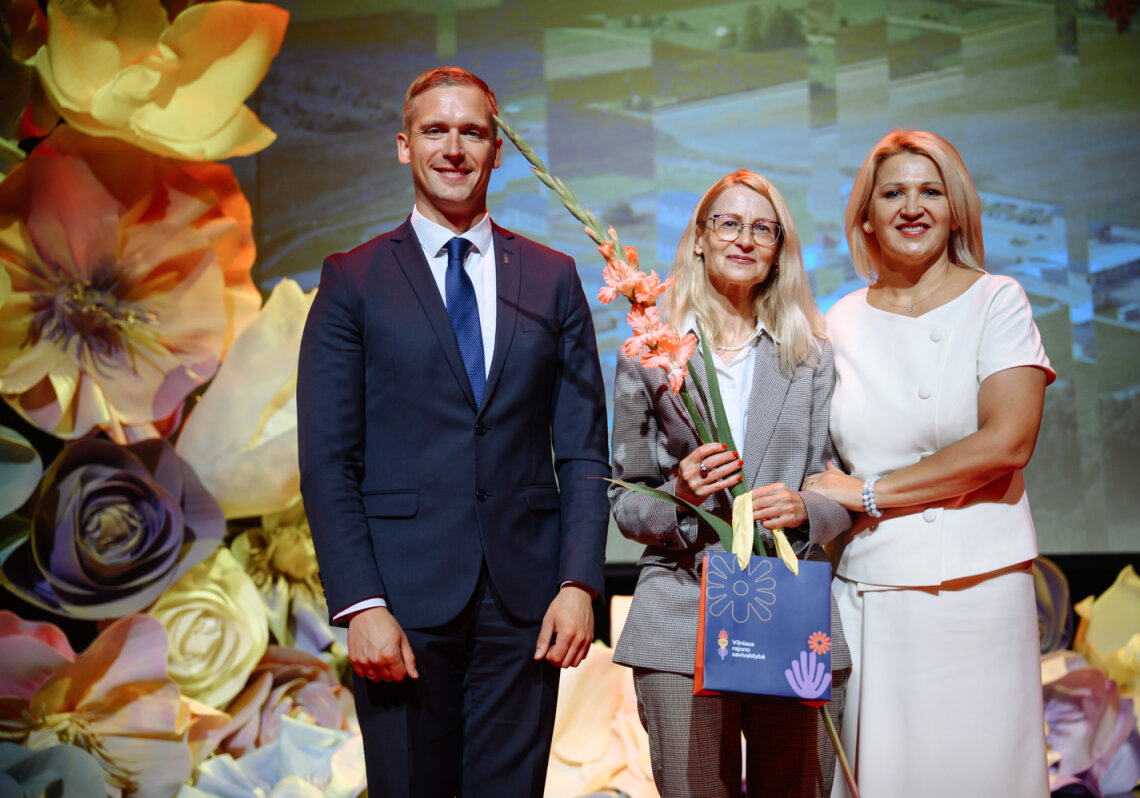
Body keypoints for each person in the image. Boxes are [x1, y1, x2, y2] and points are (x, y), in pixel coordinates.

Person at [296, 66, 610, 797]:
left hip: (526, 602)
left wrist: (578, 583)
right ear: (404, 146)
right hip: (400, 603)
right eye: (435, 130)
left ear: (497, 150)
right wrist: (361, 604)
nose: (454, 148)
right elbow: (328, 462)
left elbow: (584, 451)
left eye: (473, 132)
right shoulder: (352, 280)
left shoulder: (553, 277)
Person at [803, 129, 1054, 798]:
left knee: (982, 771)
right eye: (893, 193)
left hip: (980, 584)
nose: (912, 207)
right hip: (874, 587)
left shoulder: (997, 300)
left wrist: (871, 492)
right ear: (866, 216)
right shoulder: (839, 322)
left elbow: (1008, 442)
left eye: (931, 192)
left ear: (955, 210)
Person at [609, 169, 851, 798]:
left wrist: (805, 507)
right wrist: (680, 495)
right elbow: (625, 500)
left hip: (787, 606)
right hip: (681, 613)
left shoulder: (810, 354)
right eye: (728, 223)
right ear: (698, 237)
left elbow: (838, 485)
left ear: (778, 250)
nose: (744, 239)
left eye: (763, 229)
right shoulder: (649, 353)